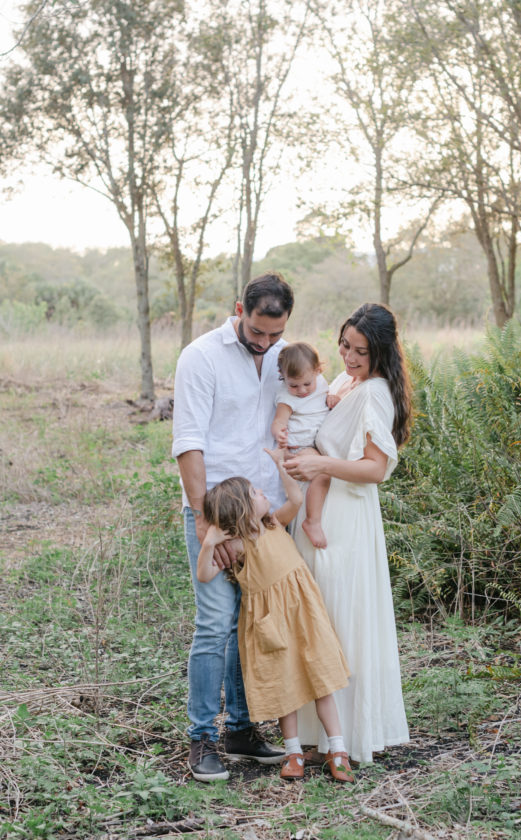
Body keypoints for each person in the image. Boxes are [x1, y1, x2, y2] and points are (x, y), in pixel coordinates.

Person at [172, 272, 294, 781]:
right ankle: (201, 738)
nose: (265, 344)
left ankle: (242, 731)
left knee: (251, 620)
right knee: (216, 625)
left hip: (263, 515)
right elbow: (189, 442)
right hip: (217, 514)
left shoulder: (286, 356)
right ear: (238, 311)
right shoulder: (200, 357)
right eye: (258, 332)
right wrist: (205, 524)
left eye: (275, 334)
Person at [284, 302, 412, 764]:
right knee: (317, 619)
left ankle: (348, 735)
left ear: (380, 353)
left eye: (361, 351)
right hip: (316, 511)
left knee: (339, 618)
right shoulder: (342, 381)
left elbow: (375, 468)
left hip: (345, 519)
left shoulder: (375, 392)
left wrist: (319, 464)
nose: (350, 357)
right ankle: (319, 737)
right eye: (344, 346)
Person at [197, 447, 354, 783]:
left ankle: (338, 749)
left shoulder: (274, 524)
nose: (263, 492)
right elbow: (205, 576)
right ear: (242, 509)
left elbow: (296, 498)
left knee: (321, 677)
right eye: (255, 493)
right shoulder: (238, 546)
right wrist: (209, 542)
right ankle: (293, 751)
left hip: (303, 612)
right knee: (285, 686)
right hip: (270, 623)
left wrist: (281, 466)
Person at [270, 342, 340, 549]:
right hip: (299, 447)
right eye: (293, 385)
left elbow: (322, 401)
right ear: (282, 377)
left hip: (312, 444)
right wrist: (279, 433)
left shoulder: (321, 383)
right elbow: (279, 421)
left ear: (318, 370)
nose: (301, 391)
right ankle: (313, 521)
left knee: (325, 472)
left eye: (307, 384)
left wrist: (332, 398)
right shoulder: (285, 396)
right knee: (324, 473)